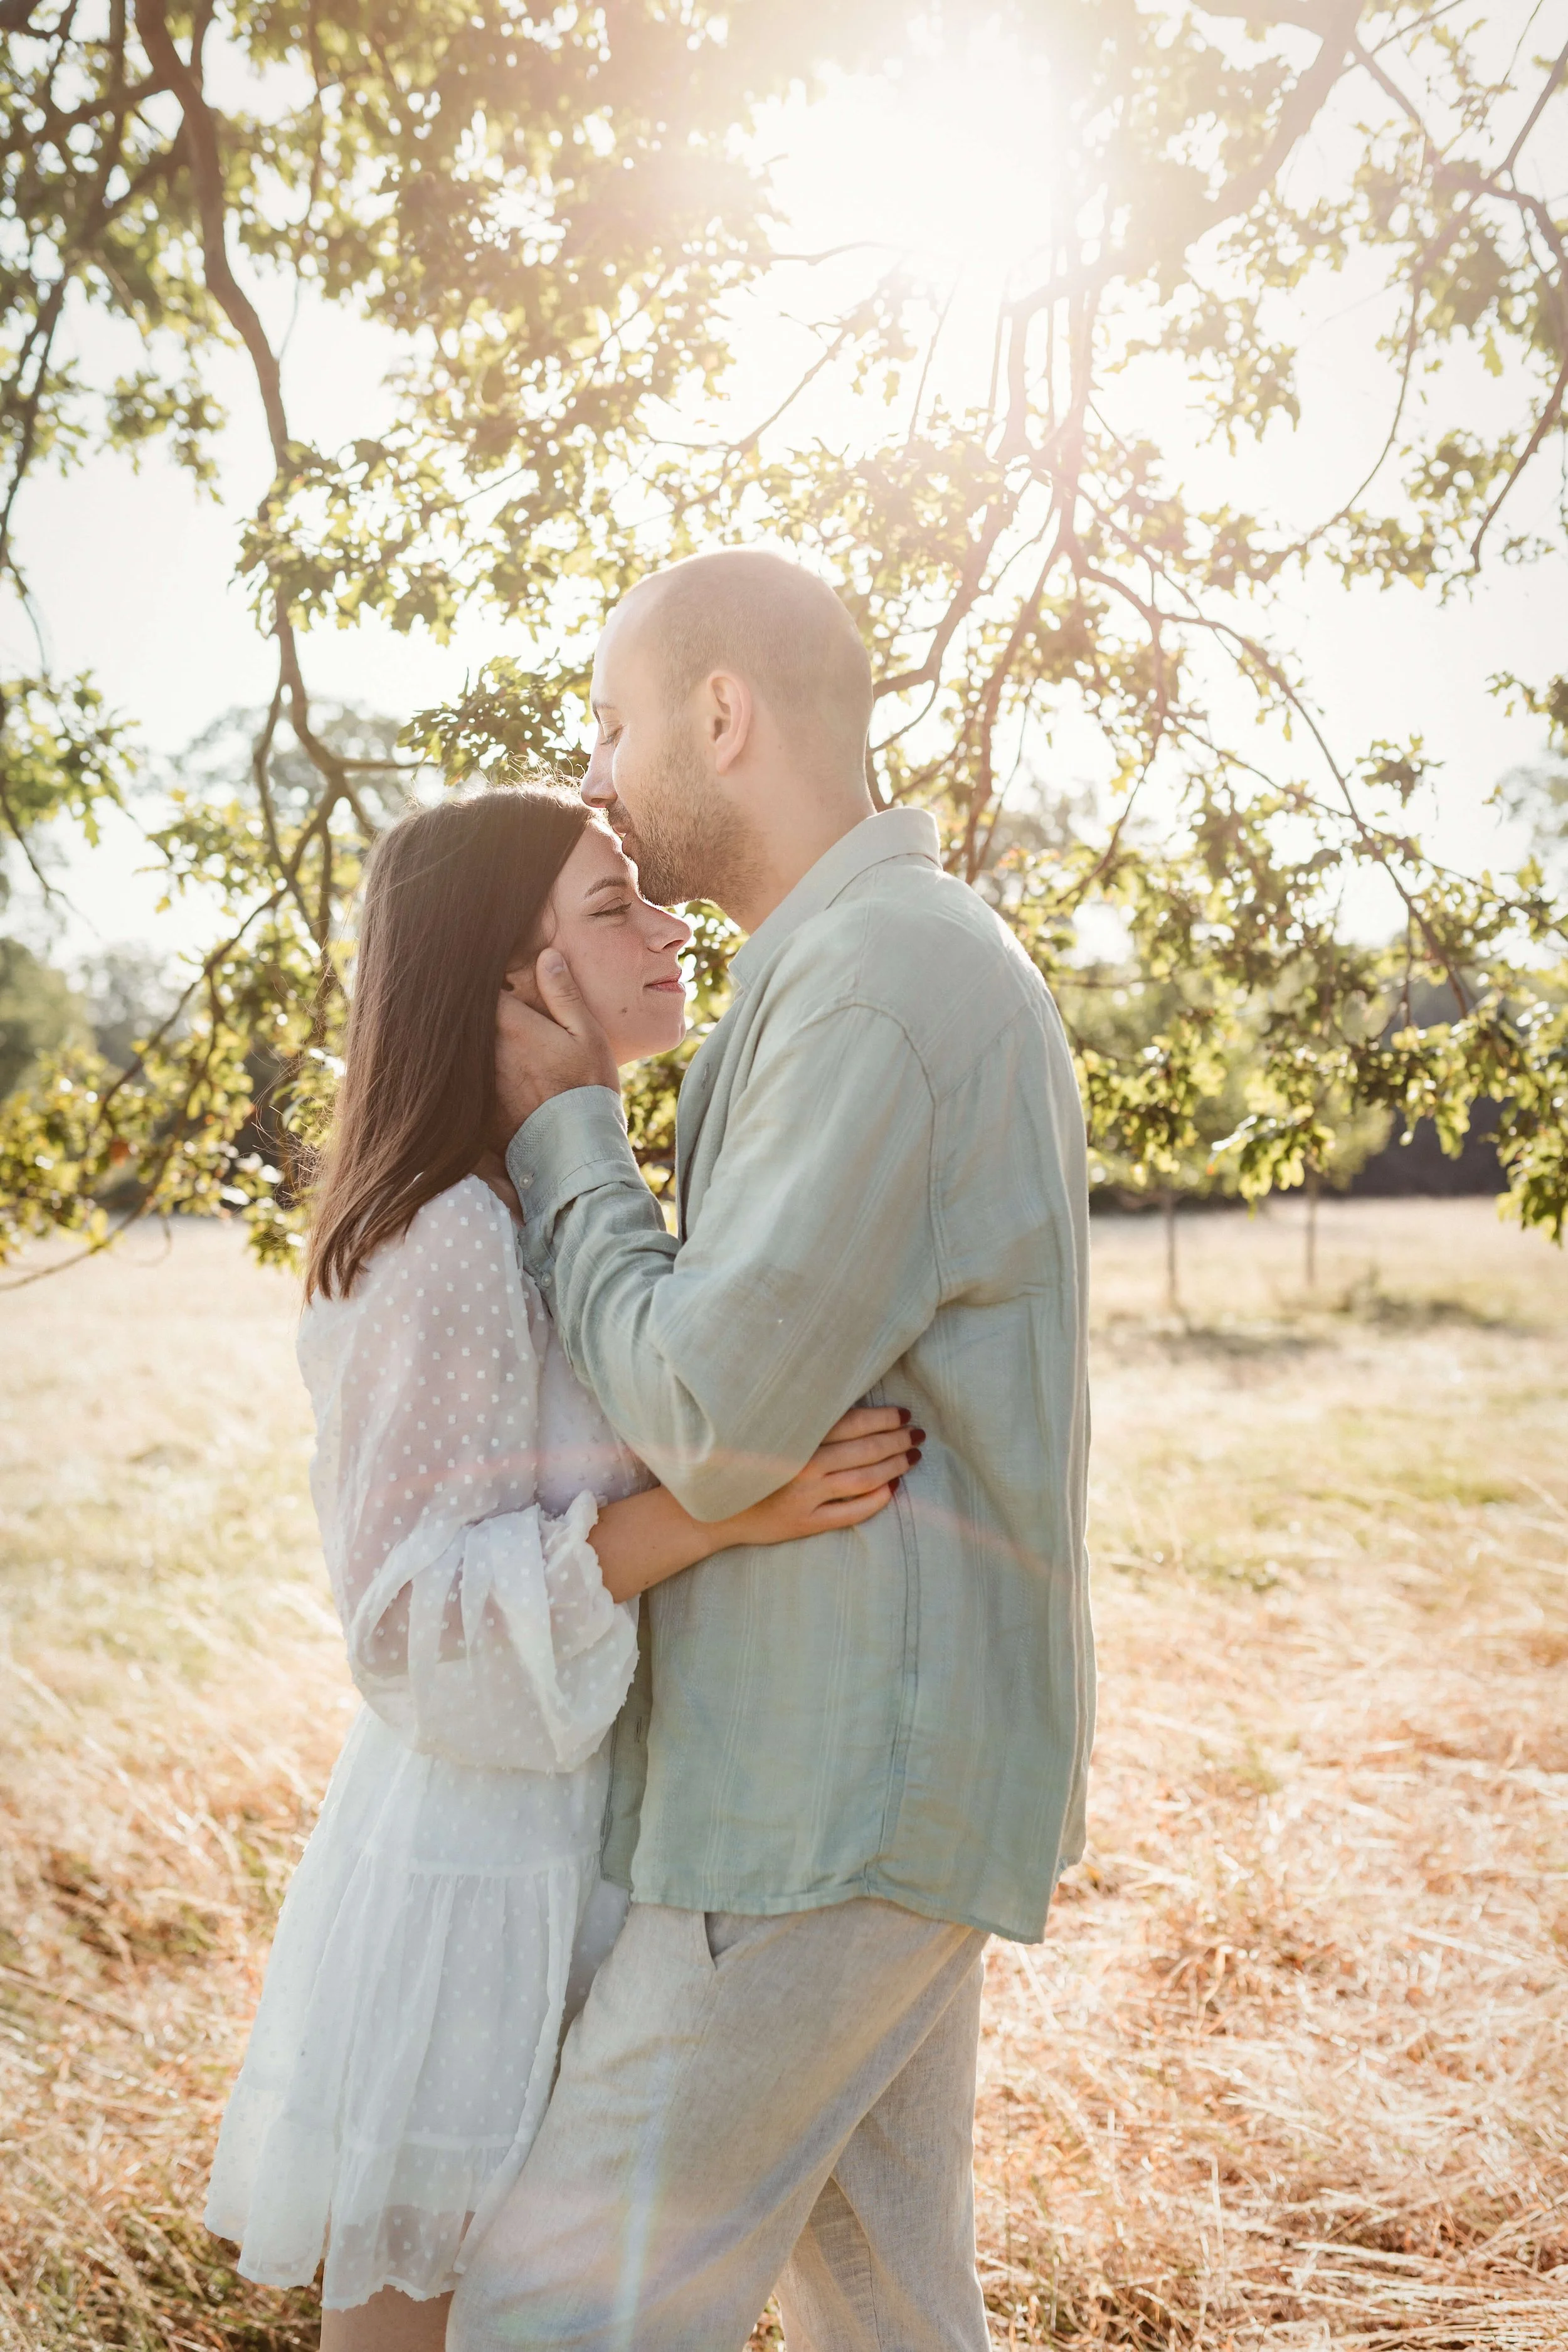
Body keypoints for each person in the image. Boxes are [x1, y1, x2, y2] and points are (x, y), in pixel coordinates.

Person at [449, 550, 1094, 2352]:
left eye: (611, 719)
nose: (594, 769)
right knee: (886, 2311)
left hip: (820, 1796)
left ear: (719, 714)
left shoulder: (877, 980)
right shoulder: (857, 965)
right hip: (856, 1780)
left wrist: (570, 1129)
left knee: (547, 2311)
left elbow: (718, 1419)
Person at [202, 785, 918, 2352]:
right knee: (426, 2328)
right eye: (613, 909)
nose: (669, 929)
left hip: (595, 1837)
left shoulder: (554, 1197)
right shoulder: (452, 1231)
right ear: (512, 979)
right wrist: (724, 1508)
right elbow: (408, 1628)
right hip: (482, 1873)